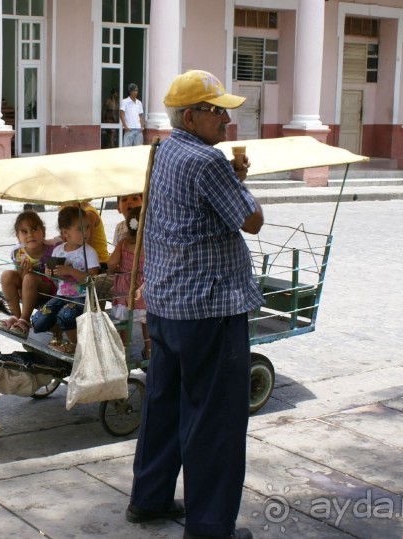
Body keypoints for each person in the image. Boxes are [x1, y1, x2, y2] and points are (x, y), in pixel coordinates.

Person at [126, 70, 263, 539]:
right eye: (216, 110)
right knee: (215, 419)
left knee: (164, 404)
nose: (226, 119)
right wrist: (239, 181)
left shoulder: (165, 149)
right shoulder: (208, 162)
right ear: (190, 116)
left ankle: (150, 498)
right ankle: (210, 527)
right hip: (210, 309)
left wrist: (231, 176)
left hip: (167, 303)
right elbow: (252, 220)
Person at [31, 206, 100, 355]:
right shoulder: (58, 250)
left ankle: (75, 344)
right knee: (39, 319)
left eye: (87, 227)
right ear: (65, 233)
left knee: (66, 314)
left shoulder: (89, 252)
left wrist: (71, 271)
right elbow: (53, 277)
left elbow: (93, 280)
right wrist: (49, 273)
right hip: (62, 295)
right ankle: (57, 335)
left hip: (82, 298)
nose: (86, 232)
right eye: (80, 229)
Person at [0, 211, 59, 339]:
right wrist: (24, 271)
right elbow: (20, 277)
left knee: (30, 278)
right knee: (6, 276)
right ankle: (15, 316)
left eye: (34, 229)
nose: (30, 235)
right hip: (26, 285)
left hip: (47, 286)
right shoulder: (18, 252)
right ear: (18, 236)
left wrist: (33, 273)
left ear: (43, 232)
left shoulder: (53, 249)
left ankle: (24, 320)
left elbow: (54, 277)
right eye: (24, 232)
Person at [106, 206, 149, 359]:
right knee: (146, 322)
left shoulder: (123, 244)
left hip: (125, 287)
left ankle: (123, 350)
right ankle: (148, 349)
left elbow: (111, 263)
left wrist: (116, 269)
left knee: (124, 320)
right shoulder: (150, 245)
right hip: (144, 285)